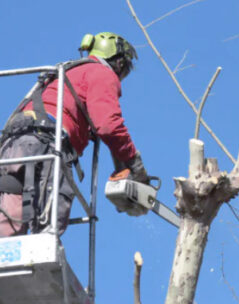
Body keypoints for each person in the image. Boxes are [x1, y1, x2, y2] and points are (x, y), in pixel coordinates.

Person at [0, 32, 148, 237]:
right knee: (50, 222)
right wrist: (134, 164)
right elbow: (108, 125)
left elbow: (97, 127)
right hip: (46, 141)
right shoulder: (101, 73)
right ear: (119, 62)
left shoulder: (68, 72)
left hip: (14, 143)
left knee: (11, 212)